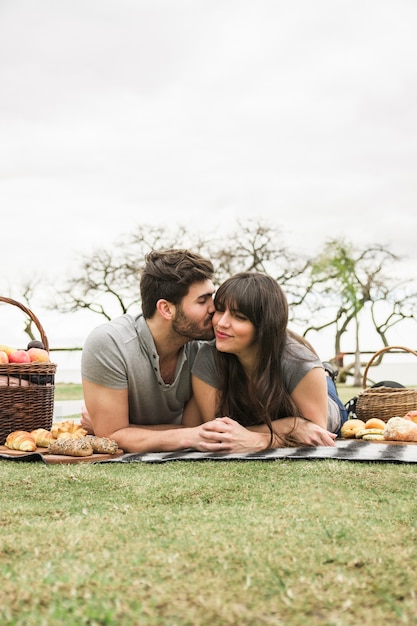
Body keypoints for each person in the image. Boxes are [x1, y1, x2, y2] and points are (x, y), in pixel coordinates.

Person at [190, 271, 348, 453]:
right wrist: (291, 426)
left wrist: (262, 440)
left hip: (327, 410)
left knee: (332, 398)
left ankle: (327, 374)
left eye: (239, 317)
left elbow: (316, 436)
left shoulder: (302, 365)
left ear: (264, 326)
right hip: (275, 410)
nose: (222, 323)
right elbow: (218, 432)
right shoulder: (209, 354)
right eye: (220, 310)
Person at [80, 248, 217, 452]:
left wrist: (128, 431)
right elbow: (111, 436)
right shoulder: (110, 343)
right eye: (202, 301)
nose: (214, 308)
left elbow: (199, 428)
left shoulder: (206, 346)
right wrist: (189, 434)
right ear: (166, 309)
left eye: (211, 297)